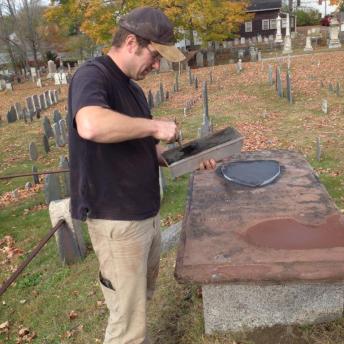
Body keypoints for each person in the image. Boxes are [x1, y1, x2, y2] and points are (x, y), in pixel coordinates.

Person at [68, 7, 216, 344]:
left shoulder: (133, 89)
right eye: (154, 55)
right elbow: (90, 124)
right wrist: (155, 125)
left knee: (135, 307)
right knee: (127, 324)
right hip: (116, 220)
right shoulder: (93, 76)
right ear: (131, 42)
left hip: (144, 213)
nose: (157, 65)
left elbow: (145, 150)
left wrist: (189, 158)